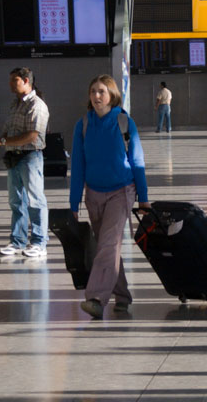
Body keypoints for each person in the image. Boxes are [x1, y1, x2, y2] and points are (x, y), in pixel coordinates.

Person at [70, 74, 150, 319]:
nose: (96, 96)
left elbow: (137, 161)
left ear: (112, 94)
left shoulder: (124, 122)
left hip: (121, 191)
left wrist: (143, 198)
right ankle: (122, 297)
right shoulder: (83, 124)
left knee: (107, 244)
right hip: (94, 194)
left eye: (102, 91)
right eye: (93, 91)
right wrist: (74, 203)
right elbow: (78, 166)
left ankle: (96, 298)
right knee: (108, 248)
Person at [0, 67, 50, 258]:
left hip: (30, 156)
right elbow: (9, 130)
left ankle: (39, 242)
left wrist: (3, 141)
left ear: (26, 81)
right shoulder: (15, 104)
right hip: (13, 157)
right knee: (16, 201)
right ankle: (17, 241)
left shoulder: (37, 105)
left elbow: (32, 136)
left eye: (14, 80)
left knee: (35, 199)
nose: (10, 84)